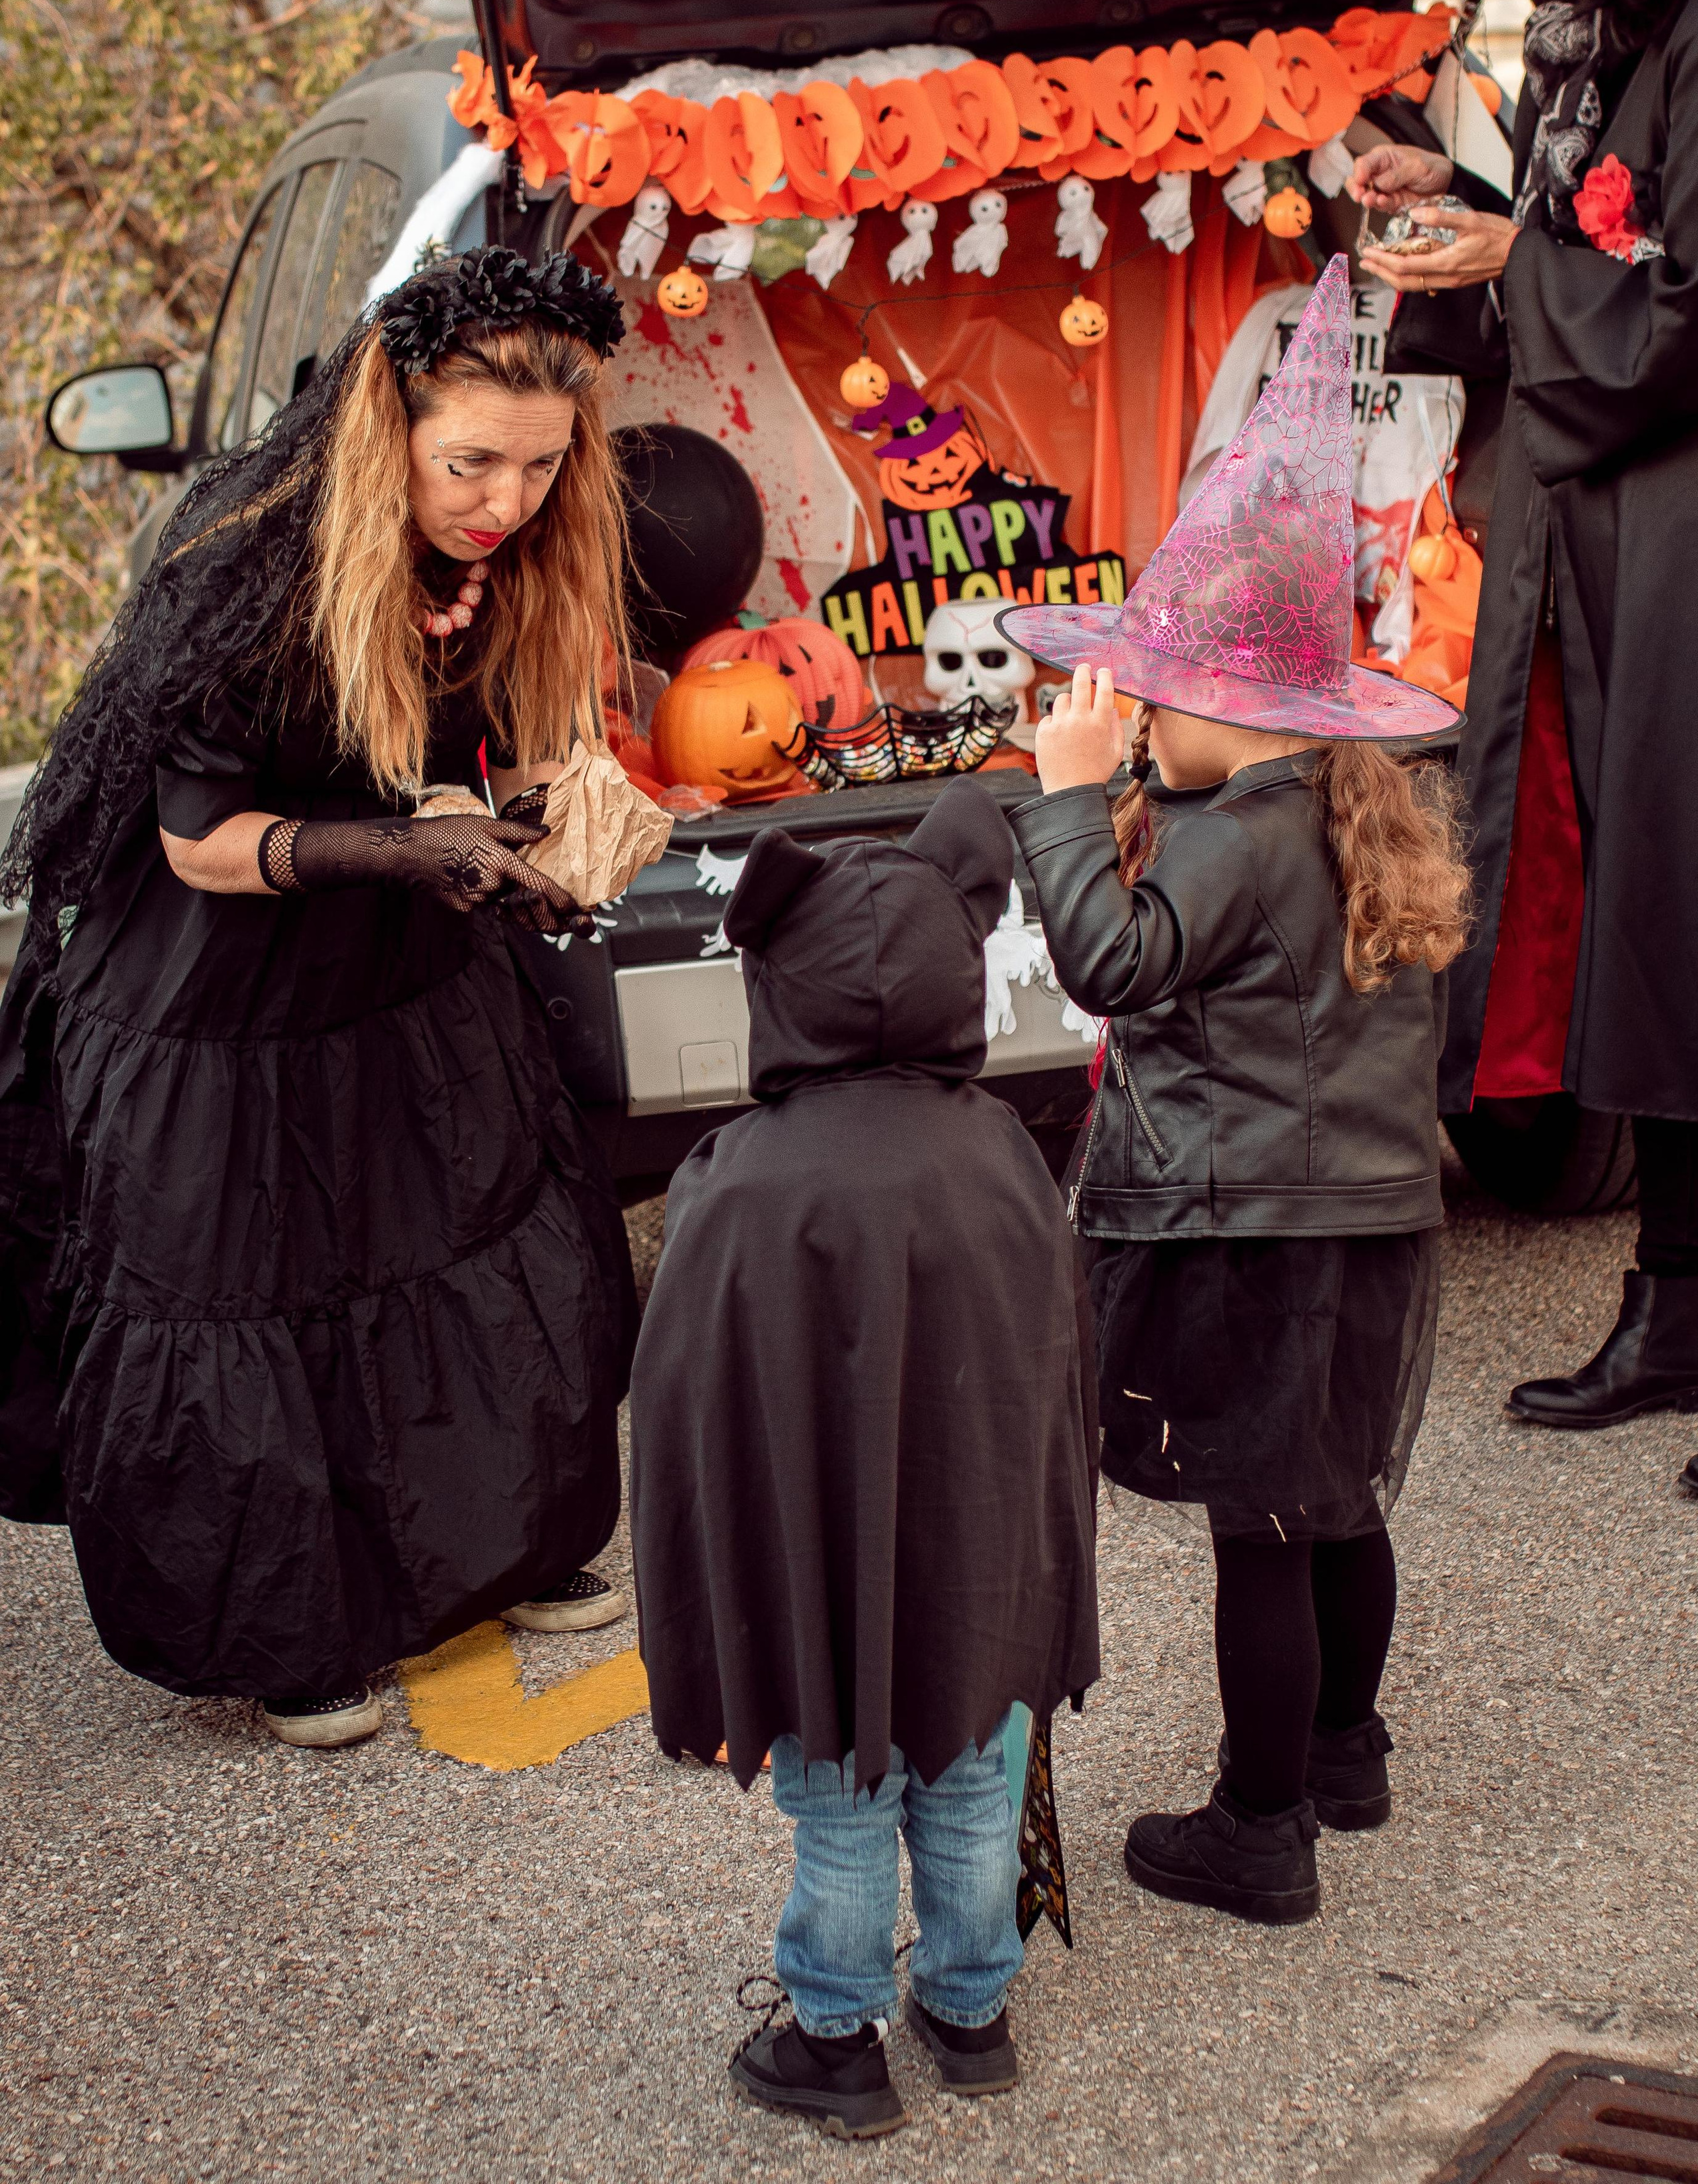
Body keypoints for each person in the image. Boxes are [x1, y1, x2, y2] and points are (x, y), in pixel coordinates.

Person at [0, 247, 643, 1747]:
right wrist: (410, 846)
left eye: (541, 466)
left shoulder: (508, 559)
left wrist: (546, 812)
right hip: (213, 991)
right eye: (472, 461)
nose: (506, 499)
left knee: (462, 1232)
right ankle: (282, 1633)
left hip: (399, 961)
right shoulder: (244, 573)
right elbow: (200, 846)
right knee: (245, 1290)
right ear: (389, 425)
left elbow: (492, 745)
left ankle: (505, 1555)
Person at [1000, 257, 1469, 1927]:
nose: (1130, 709)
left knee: (1260, 1527)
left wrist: (1062, 803)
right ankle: (1344, 1752)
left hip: (1244, 1231)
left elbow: (1111, 967)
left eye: (1151, 686)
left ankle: (1257, 1824)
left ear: (1236, 700)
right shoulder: (1352, 818)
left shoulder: (1235, 833)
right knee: (1338, 1501)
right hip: (1366, 1221)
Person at [628, 780, 1100, 2140]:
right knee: (968, 1769)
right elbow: (1054, 1363)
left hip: (822, 1568)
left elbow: (685, 1394)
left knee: (841, 1798)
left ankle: (832, 2034)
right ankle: (968, 2006)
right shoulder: (1002, 1152)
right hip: (974, 1565)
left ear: (785, 982)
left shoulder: (739, 1176)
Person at [1350, 0, 1698, 1491]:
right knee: (1646, 914)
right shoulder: (1600, 23)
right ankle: (1682, 1301)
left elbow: (1687, 303)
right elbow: (1594, 239)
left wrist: (1524, 256)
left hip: (1695, 534)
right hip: (1600, 541)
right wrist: (1470, 201)